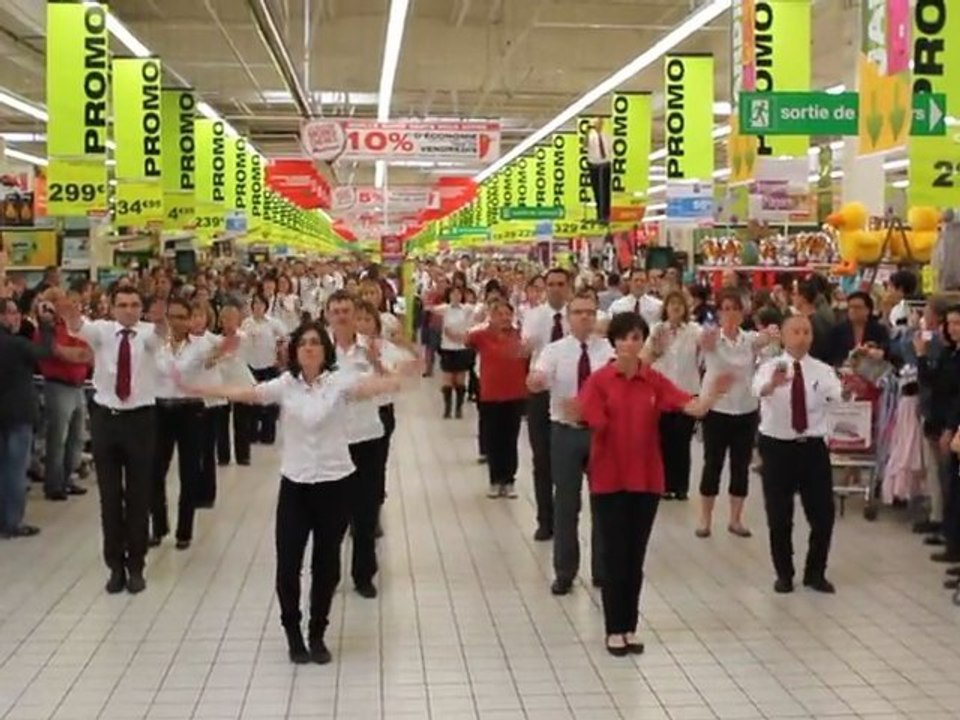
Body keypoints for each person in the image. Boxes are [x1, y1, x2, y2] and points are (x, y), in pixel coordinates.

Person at [179, 321, 401, 664]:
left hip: (335, 481)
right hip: (295, 485)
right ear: (295, 352)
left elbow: (384, 385)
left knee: (326, 564)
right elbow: (251, 394)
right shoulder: (286, 385)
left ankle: (318, 632)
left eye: (315, 343)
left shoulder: (340, 383)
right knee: (288, 563)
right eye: (303, 344)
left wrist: (381, 362)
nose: (309, 348)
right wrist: (202, 390)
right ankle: (292, 632)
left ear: (325, 350)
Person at [575, 312, 732, 656]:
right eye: (624, 338)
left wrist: (712, 393)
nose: (630, 344)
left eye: (636, 337)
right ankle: (613, 629)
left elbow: (693, 407)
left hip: (646, 479)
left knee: (635, 557)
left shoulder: (653, 381)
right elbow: (590, 419)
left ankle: (629, 627)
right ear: (614, 343)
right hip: (610, 478)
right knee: (615, 555)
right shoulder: (600, 381)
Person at [62, 287, 164, 594]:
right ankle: (115, 565)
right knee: (109, 497)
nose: (129, 310)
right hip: (107, 419)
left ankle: (136, 566)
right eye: (123, 305)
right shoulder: (103, 331)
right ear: (113, 307)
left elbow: (161, 337)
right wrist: (69, 313)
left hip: (141, 420)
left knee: (138, 497)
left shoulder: (147, 334)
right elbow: (78, 327)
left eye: (135, 305)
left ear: (141, 308)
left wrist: (161, 322)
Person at [528, 291, 613, 595]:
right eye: (578, 312)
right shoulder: (554, 351)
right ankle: (564, 571)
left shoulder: (607, 351)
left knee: (602, 503)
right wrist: (536, 382)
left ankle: (603, 569)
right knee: (566, 503)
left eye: (590, 312)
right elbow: (538, 375)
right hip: (564, 433)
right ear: (568, 317)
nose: (585, 317)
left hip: (600, 434)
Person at [753, 314, 842, 594]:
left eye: (806, 331)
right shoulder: (769, 367)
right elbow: (757, 390)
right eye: (796, 331)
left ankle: (815, 572)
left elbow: (836, 395)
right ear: (784, 336)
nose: (801, 336)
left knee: (822, 514)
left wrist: (842, 393)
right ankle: (784, 573)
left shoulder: (822, 370)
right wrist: (773, 385)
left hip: (812, 447)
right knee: (779, 515)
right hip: (777, 446)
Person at [697, 289, 774, 538]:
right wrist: (708, 335)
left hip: (745, 409)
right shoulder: (711, 338)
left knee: (740, 465)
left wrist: (772, 334)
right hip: (717, 409)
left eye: (735, 309)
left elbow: (766, 340)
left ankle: (735, 519)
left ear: (743, 313)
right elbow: (703, 342)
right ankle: (705, 519)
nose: (730, 314)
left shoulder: (749, 339)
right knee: (713, 464)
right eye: (725, 308)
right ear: (718, 312)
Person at [326, 291, 387, 599]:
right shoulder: (318, 350)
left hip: (367, 437)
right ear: (328, 314)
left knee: (365, 512)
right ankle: (328, 574)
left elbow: (389, 389)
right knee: (331, 515)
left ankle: (364, 574)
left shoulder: (371, 349)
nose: (341, 315)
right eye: (335, 310)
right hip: (332, 441)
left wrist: (378, 368)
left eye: (346, 310)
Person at [149, 298, 212, 551]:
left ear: (189, 320)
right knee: (155, 472)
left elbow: (214, 359)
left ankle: (184, 531)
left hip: (190, 411)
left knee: (189, 474)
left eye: (181, 317)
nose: (176, 322)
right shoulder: (155, 345)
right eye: (172, 316)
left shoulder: (200, 347)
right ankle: (159, 526)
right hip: (161, 410)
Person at [521, 268, 571, 541]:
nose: (555, 288)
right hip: (541, 391)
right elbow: (525, 349)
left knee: (568, 458)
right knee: (542, 458)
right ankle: (545, 519)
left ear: (568, 287)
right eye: (550, 284)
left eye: (560, 284)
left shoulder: (578, 316)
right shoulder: (533, 316)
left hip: (569, 390)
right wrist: (526, 347)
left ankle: (565, 517)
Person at [0, 296, 55, 538]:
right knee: (15, 469)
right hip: (18, 414)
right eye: (11, 313)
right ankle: (12, 522)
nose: (16, 318)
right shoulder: (17, 345)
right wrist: (45, 324)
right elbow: (44, 352)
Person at [35, 287, 92, 501]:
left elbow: (87, 352)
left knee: (76, 436)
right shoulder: (47, 328)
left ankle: (68, 477)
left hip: (78, 384)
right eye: (58, 300)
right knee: (57, 437)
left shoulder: (75, 326)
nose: (65, 303)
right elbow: (54, 352)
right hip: (57, 384)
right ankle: (54, 483)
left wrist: (74, 354)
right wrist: (73, 354)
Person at [468, 301, 529, 499]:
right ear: (492, 316)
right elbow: (466, 339)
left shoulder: (521, 335)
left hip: (515, 394)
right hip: (490, 394)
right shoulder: (482, 335)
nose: (504, 317)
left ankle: (509, 480)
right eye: (499, 313)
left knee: (510, 439)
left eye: (507, 314)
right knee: (493, 439)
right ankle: (495, 480)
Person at [646, 290, 703, 500]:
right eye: (672, 304)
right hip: (662, 393)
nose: (676, 307)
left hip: (687, 392)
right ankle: (664, 484)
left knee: (682, 441)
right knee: (664, 440)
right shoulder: (657, 329)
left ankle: (681, 486)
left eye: (680, 304)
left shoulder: (694, 330)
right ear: (666, 308)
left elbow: (705, 346)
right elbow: (648, 354)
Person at [915, 304, 960, 567]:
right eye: (951, 323)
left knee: (953, 484)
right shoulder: (949, 353)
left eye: (958, 323)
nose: (953, 328)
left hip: (952, 427)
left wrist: (950, 429)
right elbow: (932, 381)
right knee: (949, 484)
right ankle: (950, 537)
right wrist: (921, 356)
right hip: (940, 421)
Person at [239, 293, 286, 446]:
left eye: (261, 304)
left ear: (266, 306)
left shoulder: (273, 323)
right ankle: (252, 433)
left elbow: (285, 337)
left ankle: (268, 434)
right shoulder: (246, 323)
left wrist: (280, 350)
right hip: (251, 365)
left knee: (269, 402)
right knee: (252, 401)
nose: (258, 306)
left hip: (269, 364)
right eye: (255, 304)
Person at [429, 286, 477, 419]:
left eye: (458, 294)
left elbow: (479, 311)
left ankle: (458, 408)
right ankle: (447, 407)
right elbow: (431, 308)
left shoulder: (467, 309)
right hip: (447, 347)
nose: (456, 296)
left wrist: (463, 336)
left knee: (460, 380)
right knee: (447, 379)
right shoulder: (445, 309)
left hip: (462, 347)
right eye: (453, 294)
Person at [827, 291, 889, 367]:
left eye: (857, 307)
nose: (852, 310)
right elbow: (830, 356)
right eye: (850, 307)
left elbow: (886, 350)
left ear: (868, 310)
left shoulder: (879, 329)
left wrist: (877, 352)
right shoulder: (838, 330)